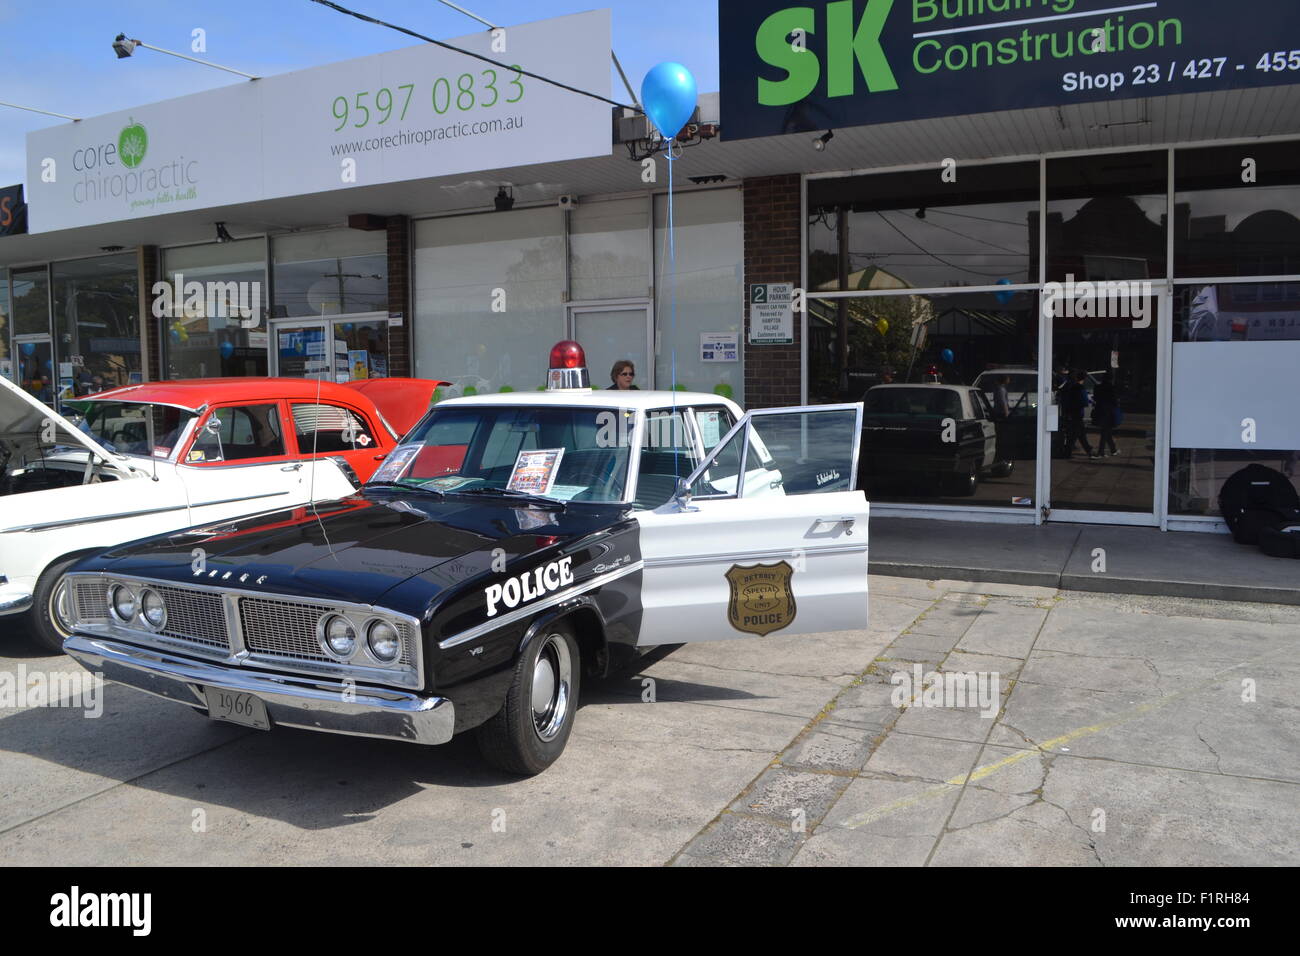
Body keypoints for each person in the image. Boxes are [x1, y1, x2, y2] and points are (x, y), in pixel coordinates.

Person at [1059, 369, 1098, 459]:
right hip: (1077, 413)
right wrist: (1090, 402)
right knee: (1076, 434)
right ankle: (1070, 452)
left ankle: (1088, 451)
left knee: (1079, 434)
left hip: (1070, 412)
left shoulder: (1068, 387)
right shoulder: (1079, 388)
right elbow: (1084, 401)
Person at [1091, 372, 1120, 456]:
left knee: (1106, 431)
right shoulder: (1112, 388)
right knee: (1105, 432)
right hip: (1109, 411)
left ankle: (1113, 449)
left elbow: (1095, 398)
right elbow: (1114, 401)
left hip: (1100, 410)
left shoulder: (1098, 387)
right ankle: (1101, 452)